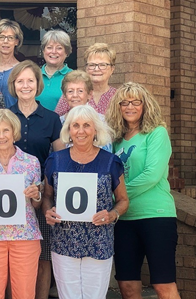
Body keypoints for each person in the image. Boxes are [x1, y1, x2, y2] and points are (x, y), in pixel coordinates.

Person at [42, 105, 129, 299]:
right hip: (64, 241)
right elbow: (47, 195)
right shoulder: (54, 160)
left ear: (96, 130)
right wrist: (48, 211)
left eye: (87, 125)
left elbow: (123, 200)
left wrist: (112, 214)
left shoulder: (110, 161)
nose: (81, 131)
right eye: (76, 125)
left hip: (99, 241)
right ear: (69, 130)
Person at [106, 82, 181, 299]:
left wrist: (114, 196)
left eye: (136, 102)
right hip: (124, 219)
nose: (130, 106)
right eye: (125, 102)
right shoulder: (115, 139)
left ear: (145, 105)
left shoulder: (157, 133)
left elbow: (151, 175)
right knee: (126, 284)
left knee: (163, 284)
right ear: (118, 107)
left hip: (156, 216)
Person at [7, 60, 64, 299]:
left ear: (37, 84)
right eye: (20, 81)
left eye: (30, 80)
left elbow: (59, 159)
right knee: (11, 257)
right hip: (8, 196)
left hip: (41, 192)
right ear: (14, 85)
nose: (25, 85)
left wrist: (45, 187)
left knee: (42, 257)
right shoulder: (5, 116)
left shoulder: (51, 119)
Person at [0, 109, 43, 299]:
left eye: (6, 130)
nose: (2, 136)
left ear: (15, 133)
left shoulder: (31, 162)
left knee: (25, 293)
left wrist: (36, 195)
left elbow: (36, 205)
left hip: (25, 236)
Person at [56, 43, 117, 116]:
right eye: (92, 65)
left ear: (112, 69)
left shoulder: (117, 96)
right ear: (86, 68)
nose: (96, 69)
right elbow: (57, 121)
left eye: (102, 65)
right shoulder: (72, 94)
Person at [59, 70, 112, 152]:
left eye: (80, 91)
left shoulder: (101, 121)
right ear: (64, 96)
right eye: (70, 91)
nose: (75, 95)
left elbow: (106, 152)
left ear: (89, 94)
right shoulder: (58, 122)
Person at [0, 19, 24, 108]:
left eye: (10, 38)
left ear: (16, 41)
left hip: (12, 119)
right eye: (2, 37)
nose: (5, 41)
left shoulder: (22, 69)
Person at [35, 30, 73, 111]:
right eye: (49, 47)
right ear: (43, 51)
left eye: (59, 48)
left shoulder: (73, 77)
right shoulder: (34, 75)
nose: (53, 52)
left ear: (66, 52)